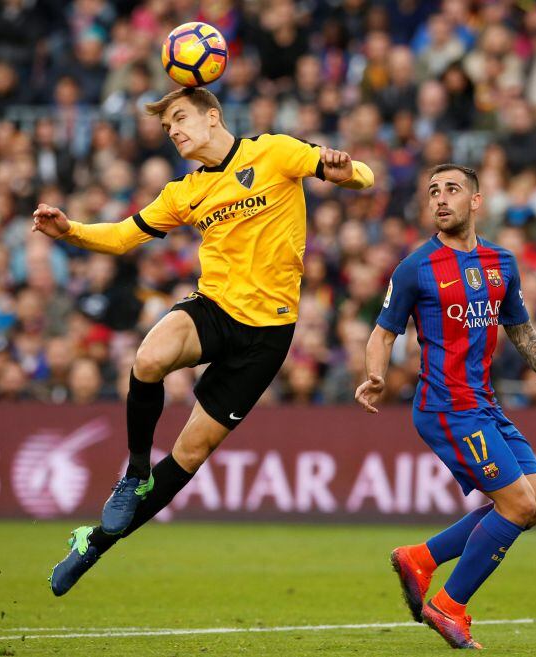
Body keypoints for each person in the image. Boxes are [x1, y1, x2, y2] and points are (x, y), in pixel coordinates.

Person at [34, 86, 374, 596]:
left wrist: (346, 169)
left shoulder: (275, 152)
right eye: (167, 125)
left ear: (212, 117)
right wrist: (70, 232)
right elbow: (126, 236)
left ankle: (96, 543)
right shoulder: (184, 192)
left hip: (267, 336)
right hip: (213, 308)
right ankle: (134, 473)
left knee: (190, 454)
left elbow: (362, 178)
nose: (172, 130)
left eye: (179, 118)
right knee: (148, 357)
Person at [355, 163, 536, 649]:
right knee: (517, 503)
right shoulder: (415, 267)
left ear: (476, 201)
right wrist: (375, 374)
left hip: (483, 403)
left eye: (452, 190)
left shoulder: (502, 263)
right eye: (433, 192)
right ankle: (450, 604)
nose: (440, 199)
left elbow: (522, 332)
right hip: (445, 406)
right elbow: (384, 332)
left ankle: (421, 558)